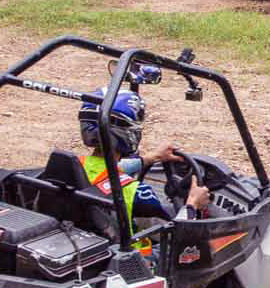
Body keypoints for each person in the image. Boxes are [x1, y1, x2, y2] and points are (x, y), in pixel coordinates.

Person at [76, 89, 209, 244]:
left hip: (84, 244)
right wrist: (192, 204)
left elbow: (104, 175)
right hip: (132, 264)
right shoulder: (139, 194)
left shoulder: (74, 168)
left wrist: (150, 159)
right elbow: (176, 237)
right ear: (129, 133)